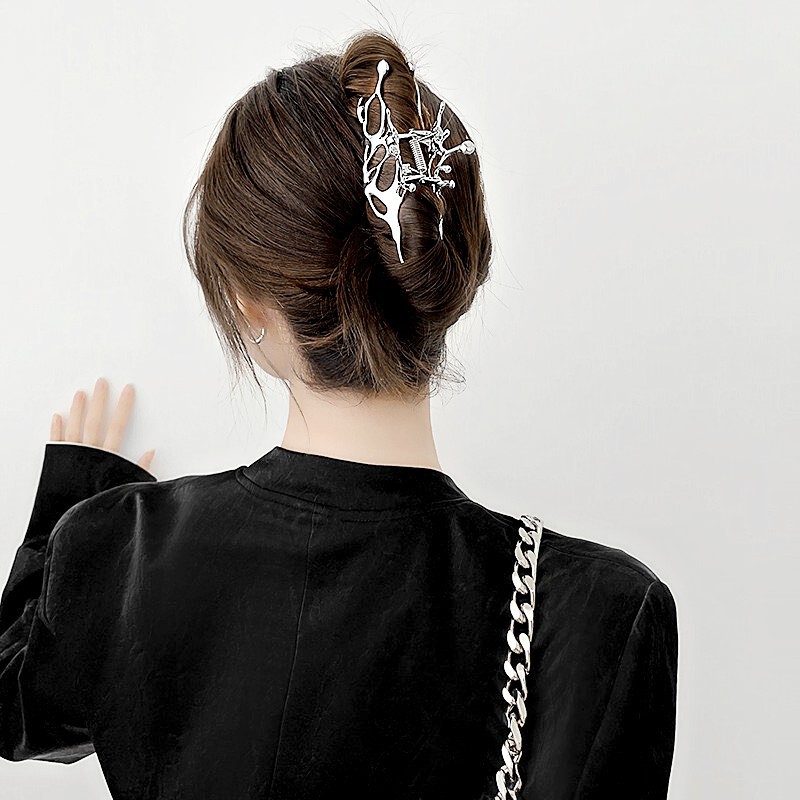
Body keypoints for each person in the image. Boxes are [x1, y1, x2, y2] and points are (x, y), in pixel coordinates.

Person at [0, 28, 678, 800]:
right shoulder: (599, 614)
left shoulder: (116, 552)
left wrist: (70, 506)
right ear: (451, 266)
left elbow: (18, 711)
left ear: (246, 305)